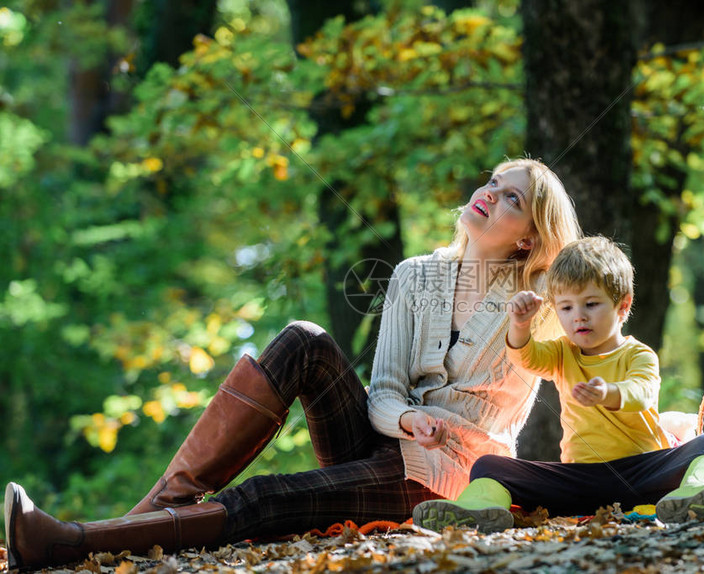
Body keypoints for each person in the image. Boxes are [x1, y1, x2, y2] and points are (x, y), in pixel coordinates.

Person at [4, 158, 583, 571]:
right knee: (304, 339)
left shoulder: (536, 307)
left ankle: (71, 542)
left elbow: (592, 335)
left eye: (513, 197)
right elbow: (383, 392)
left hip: (443, 477)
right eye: (494, 182)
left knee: (262, 497)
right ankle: (150, 513)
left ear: (531, 239)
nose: (491, 192)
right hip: (386, 442)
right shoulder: (415, 275)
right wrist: (407, 420)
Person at [413, 237, 704, 532]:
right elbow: (526, 357)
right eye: (566, 307)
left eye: (591, 304)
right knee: (488, 465)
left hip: (641, 474)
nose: (579, 317)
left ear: (622, 306)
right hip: (579, 481)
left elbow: (642, 392)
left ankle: (695, 495)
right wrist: (519, 324)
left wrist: (608, 392)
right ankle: (476, 511)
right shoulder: (563, 352)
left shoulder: (639, 354)